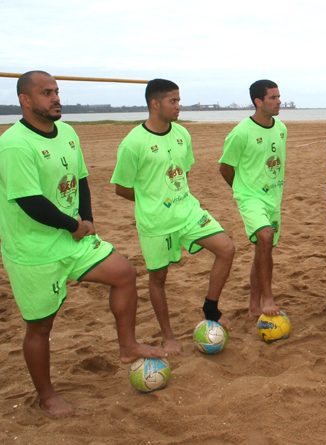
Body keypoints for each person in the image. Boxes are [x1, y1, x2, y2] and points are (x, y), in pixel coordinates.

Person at [0, 71, 165, 417]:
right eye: (47, 93)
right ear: (25, 100)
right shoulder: (14, 143)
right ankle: (47, 396)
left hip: (73, 238)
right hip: (34, 250)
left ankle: (127, 345)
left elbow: (81, 180)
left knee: (123, 272)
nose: (56, 98)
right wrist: (73, 225)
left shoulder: (69, 133)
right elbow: (30, 202)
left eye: (57, 91)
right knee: (41, 326)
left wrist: (86, 221)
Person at [111, 78, 235, 355]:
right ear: (155, 103)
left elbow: (183, 174)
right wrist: (153, 200)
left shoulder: (182, 133)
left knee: (226, 248)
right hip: (156, 222)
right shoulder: (133, 143)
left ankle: (210, 308)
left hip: (188, 211)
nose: (179, 106)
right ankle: (168, 335)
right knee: (158, 278)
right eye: (173, 101)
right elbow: (121, 188)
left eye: (179, 100)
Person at [219, 79, 286, 317]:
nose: (279, 101)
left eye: (279, 96)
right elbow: (225, 167)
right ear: (258, 102)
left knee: (263, 248)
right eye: (273, 98)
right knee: (265, 237)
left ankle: (254, 304)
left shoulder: (281, 128)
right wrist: (242, 191)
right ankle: (267, 297)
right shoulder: (240, 133)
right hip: (250, 197)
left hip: (273, 199)